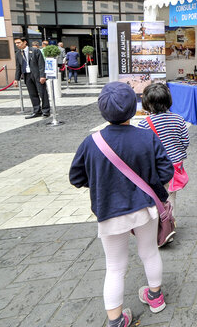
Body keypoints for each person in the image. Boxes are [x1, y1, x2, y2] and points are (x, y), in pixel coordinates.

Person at [70, 82, 174, 327]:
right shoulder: (146, 137)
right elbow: (166, 171)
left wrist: (101, 184)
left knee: (115, 266)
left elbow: (76, 178)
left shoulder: (91, 142)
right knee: (149, 252)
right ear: (134, 108)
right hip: (145, 208)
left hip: (109, 211)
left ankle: (116, 320)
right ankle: (156, 298)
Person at [137, 83, 189, 218]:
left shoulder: (144, 124)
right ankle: (170, 225)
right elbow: (185, 142)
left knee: (156, 198)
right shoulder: (179, 119)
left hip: (156, 169)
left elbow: (143, 149)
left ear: (147, 103)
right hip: (175, 167)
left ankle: (160, 228)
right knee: (171, 198)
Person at [14, 37, 51, 118]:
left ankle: (46, 111)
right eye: (16, 43)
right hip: (27, 75)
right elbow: (18, 67)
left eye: (18, 42)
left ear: (25, 42)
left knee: (42, 93)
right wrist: (16, 79)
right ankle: (37, 111)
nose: (17, 44)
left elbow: (41, 64)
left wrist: (42, 76)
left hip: (37, 75)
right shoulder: (18, 54)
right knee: (32, 94)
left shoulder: (35, 51)